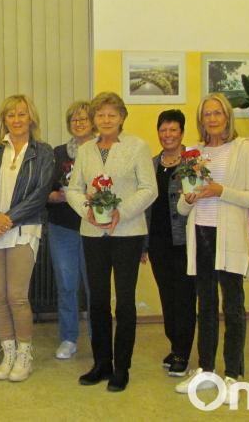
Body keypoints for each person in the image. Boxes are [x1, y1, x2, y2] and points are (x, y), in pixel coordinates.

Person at [174, 94, 249, 401]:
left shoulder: (242, 148)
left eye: (217, 113)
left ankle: (234, 374)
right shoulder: (194, 153)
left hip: (230, 239)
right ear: (201, 120)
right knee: (206, 306)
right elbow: (182, 206)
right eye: (206, 114)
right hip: (201, 235)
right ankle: (207, 370)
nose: (212, 118)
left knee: (233, 307)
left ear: (227, 116)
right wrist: (188, 199)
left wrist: (219, 190)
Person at [67, 92, 157, 392]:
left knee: (125, 302)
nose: (105, 120)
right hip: (93, 233)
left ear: (121, 117)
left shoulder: (137, 147)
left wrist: (122, 211)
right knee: (98, 301)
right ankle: (101, 363)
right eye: (100, 115)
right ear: (94, 119)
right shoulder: (86, 150)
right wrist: (87, 210)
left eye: (111, 114)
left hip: (127, 233)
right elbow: (73, 189)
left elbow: (149, 189)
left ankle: (122, 367)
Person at [0, 95, 54, 382]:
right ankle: (7, 352)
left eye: (22, 114)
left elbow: (40, 193)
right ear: (4, 120)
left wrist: (7, 220)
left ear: (31, 118)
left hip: (23, 230)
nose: (17, 120)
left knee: (17, 297)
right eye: (11, 115)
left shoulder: (42, 152)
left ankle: (24, 354)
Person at [142, 109, 196, 377]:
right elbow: (146, 207)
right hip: (158, 242)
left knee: (184, 298)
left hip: (185, 241)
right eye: (163, 130)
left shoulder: (193, 163)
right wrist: (144, 244)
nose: (168, 135)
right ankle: (175, 345)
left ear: (182, 133)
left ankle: (183, 353)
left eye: (173, 130)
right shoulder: (152, 164)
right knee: (167, 297)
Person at [46, 101, 95, 360]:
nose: (79, 123)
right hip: (62, 227)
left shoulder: (103, 151)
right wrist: (59, 197)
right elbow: (47, 190)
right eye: (74, 120)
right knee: (66, 285)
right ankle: (68, 338)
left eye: (84, 119)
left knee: (94, 286)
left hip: (95, 228)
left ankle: (100, 337)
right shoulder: (58, 152)